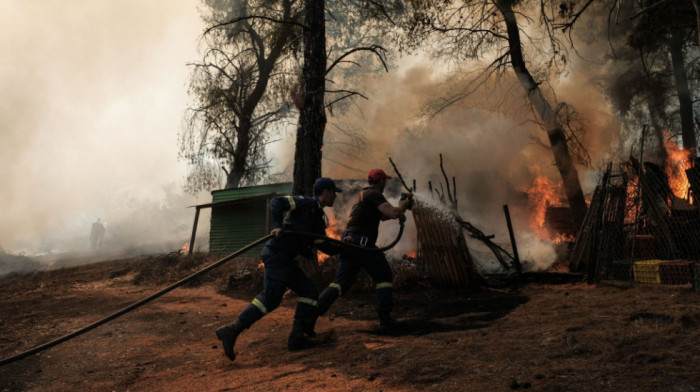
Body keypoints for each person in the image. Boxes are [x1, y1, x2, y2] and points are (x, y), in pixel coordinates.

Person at [215, 177, 343, 362]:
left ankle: (297, 338)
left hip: (287, 260)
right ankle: (231, 331)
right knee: (270, 299)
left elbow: (324, 245)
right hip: (277, 254)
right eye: (334, 193)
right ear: (328, 192)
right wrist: (277, 226)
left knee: (309, 292)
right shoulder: (305, 203)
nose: (336, 197)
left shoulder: (317, 219)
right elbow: (277, 202)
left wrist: (344, 247)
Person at [315, 169, 411, 333]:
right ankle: (385, 321)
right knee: (384, 275)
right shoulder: (374, 194)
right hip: (362, 243)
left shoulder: (364, 195)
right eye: (384, 182)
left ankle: (312, 312)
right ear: (380, 182)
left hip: (350, 242)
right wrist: (404, 204)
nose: (385, 184)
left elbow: (383, 216)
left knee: (340, 284)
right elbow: (392, 212)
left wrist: (399, 212)